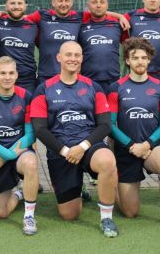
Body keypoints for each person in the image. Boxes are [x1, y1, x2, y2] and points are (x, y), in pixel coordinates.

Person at [31, 41, 119, 237]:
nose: (73, 59)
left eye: (77, 55)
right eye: (68, 54)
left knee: (107, 161)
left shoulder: (94, 87)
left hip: (89, 146)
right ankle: (79, 188)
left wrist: (82, 147)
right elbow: (39, 129)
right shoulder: (43, 89)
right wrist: (65, 151)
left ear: (82, 59)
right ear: (59, 58)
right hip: (61, 151)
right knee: (70, 214)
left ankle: (106, 218)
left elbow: (105, 125)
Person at [108, 38, 160, 229]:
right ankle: (112, 185)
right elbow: (111, 125)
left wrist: (146, 145)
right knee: (130, 212)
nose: (140, 61)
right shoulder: (116, 87)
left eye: (143, 57)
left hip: (151, 147)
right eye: (135, 57)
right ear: (127, 60)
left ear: (149, 60)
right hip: (126, 149)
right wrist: (132, 146)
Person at [0, 56, 39, 235]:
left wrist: (7, 156)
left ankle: (29, 216)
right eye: (3, 73)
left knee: (31, 163)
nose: (7, 77)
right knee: (1, 213)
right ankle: (19, 193)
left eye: (11, 73)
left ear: (17, 75)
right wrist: (6, 155)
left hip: (20, 151)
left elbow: (31, 134)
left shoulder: (26, 96)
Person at [22, 0, 129, 85]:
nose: (64, 4)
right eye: (60, 1)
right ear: (53, 2)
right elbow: (21, 19)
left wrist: (120, 16)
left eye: (67, 1)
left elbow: (98, 11)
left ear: (72, 2)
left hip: (71, 76)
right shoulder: (42, 15)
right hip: (46, 75)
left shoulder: (79, 17)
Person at [0, 0, 38, 94]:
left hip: (28, 81)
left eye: (20, 3)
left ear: (25, 5)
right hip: (3, 79)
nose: (16, 6)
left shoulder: (34, 26)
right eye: (12, 3)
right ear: (6, 6)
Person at [79, 0, 123, 94]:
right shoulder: (80, 25)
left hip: (113, 80)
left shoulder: (118, 24)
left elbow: (129, 46)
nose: (98, 5)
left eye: (102, 2)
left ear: (107, 5)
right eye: (94, 2)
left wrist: (121, 16)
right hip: (88, 81)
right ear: (88, 5)